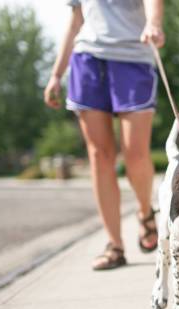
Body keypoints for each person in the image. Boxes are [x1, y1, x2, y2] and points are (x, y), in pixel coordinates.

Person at [44, 0, 165, 270]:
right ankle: (115, 245)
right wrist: (56, 74)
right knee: (99, 156)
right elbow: (76, 20)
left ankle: (145, 212)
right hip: (87, 60)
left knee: (135, 154)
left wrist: (154, 23)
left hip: (133, 59)